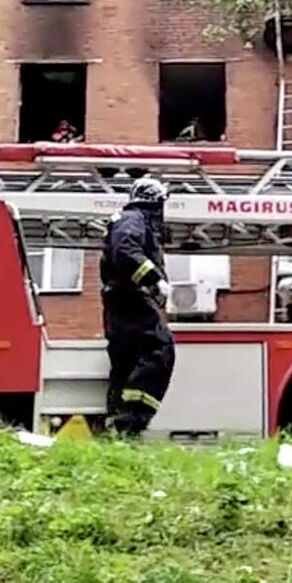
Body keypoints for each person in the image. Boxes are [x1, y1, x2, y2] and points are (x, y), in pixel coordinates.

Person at [99, 176, 175, 437]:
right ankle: (131, 422)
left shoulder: (129, 219)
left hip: (120, 303)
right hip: (129, 298)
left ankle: (120, 423)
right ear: (154, 201)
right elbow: (126, 252)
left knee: (127, 362)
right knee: (159, 349)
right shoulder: (134, 220)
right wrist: (154, 280)